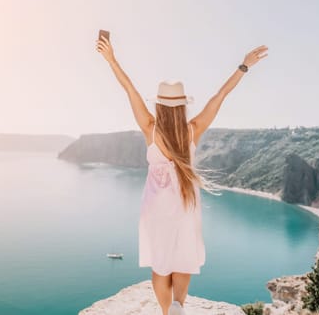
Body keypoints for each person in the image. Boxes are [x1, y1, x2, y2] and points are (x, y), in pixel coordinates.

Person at [96, 34, 268, 315]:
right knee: (183, 259)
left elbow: (130, 89)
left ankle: (167, 313)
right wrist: (243, 66)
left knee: (160, 264)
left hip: (155, 206)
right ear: (182, 105)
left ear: (159, 104)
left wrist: (111, 59)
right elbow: (219, 96)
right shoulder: (193, 129)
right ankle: (178, 305)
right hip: (186, 201)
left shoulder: (150, 128)